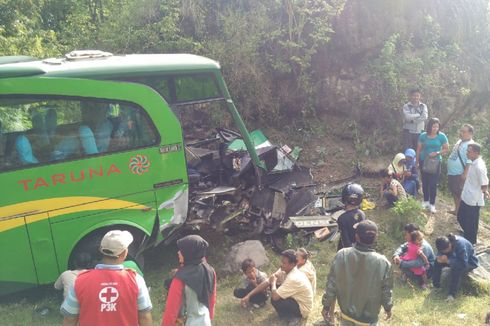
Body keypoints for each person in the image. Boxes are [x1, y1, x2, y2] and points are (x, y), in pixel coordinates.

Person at [60, 230, 153, 326]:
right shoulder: (136, 280)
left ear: (101, 250)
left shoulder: (78, 282)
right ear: (124, 253)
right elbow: (144, 316)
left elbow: (70, 319)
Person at [321, 220, 393, 325]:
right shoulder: (383, 262)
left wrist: (326, 306)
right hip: (368, 319)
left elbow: (332, 284)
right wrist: (388, 308)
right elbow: (386, 290)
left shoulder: (342, 254)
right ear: (375, 238)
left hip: (346, 315)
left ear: (357, 236)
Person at [162, 235, 217, 326]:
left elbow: (171, 310)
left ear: (189, 252)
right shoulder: (210, 270)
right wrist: (211, 315)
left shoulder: (180, 278)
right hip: (205, 321)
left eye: (182, 250)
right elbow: (212, 298)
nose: (178, 252)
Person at [269, 249, 313, 324]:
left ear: (292, 264)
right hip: (298, 300)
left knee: (274, 300)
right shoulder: (292, 270)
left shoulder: (292, 278)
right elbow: (274, 278)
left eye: (284, 263)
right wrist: (273, 282)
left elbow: (275, 297)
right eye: (282, 262)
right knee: (275, 288)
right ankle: (287, 314)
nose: (281, 264)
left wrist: (273, 283)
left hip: (303, 308)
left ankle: (295, 317)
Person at [457, 143, 489, 244]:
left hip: (474, 199)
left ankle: (471, 241)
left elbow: (484, 182)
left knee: (472, 223)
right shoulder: (472, 162)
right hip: (466, 195)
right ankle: (467, 235)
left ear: (476, 152)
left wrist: (485, 192)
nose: (467, 153)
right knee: (461, 217)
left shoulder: (479, 166)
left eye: (469, 151)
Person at [416, 117, 449, 213]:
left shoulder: (442, 136)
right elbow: (418, 149)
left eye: (437, 127)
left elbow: (446, 149)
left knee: (433, 184)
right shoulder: (423, 136)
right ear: (429, 126)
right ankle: (425, 201)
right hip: (424, 161)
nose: (435, 129)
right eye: (433, 126)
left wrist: (437, 153)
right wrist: (417, 162)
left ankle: (432, 204)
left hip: (436, 163)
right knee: (425, 182)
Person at [433, 234, 479, 301]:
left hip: (469, 262)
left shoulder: (460, 245)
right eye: (444, 251)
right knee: (437, 262)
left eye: (448, 248)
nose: (448, 250)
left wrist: (448, 261)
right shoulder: (442, 243)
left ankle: (451, 294)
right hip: (453, 258)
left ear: (450, 244)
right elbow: (440, 253)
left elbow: (463, 264)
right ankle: (436, 286)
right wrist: (440, 257)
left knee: (456, 269)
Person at [447, 124, 474, 215]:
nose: (461, 133)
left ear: (470, 133)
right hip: (452, 172)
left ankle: (462, 213)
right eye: (461, 131)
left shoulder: (471, 144)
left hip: (459, 173)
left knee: (459, 193)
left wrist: (465, 174)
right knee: (454, 192)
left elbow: (469, 161)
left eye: (464, 132)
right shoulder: (460, 141)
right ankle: (457, 210)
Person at [337, 183, 366, 250]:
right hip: (360, 248)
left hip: (346, 251)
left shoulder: (342, 218)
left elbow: (345, 240)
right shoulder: (362, 214)